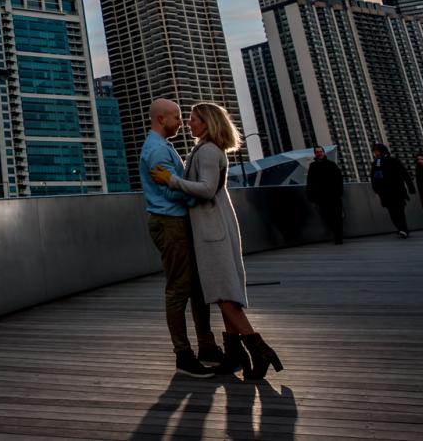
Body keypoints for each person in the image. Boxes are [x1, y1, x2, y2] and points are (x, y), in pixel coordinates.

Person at [154, 102, 283, 380]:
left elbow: (207, 189)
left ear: (208, 123)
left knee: (224, 297)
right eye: (187, 119)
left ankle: (260, 349)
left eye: (194, 119)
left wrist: (171, 180)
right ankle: (235, 354)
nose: (189, 124)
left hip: (213, 229)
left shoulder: (209, 151)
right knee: (223, 293)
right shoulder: (206, 149)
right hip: (214, 225)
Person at [141, 97, 225, 377]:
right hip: (170, 222)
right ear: (161, 119)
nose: (182, 123)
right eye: (177, 117)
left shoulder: (165, 147)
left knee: (197, 287)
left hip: (178, 221)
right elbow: (169, 193)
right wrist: (199, 198)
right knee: (179, 288)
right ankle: (183, 354)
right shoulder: (157, 151)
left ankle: (207, 346)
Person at [370, 143, 414, 237]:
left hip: (395, 191)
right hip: (388, 192)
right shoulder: (377, 163)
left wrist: (410, 186)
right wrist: (377, 188)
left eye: (376, 151)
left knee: (396, 212)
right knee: (395, 212)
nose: (375, 153)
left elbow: (404, 174)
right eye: (374, 151)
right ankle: (401, 229)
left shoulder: (389, 161)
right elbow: (375, 178)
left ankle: (403, 229)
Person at [305, 145, 344, 244]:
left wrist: (339, 193)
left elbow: (339, 179)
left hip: (334, 196)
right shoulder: (312, 166)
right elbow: (310, 182)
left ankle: (338, 238)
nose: (319, 153)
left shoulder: (331, 164)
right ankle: (336, 235)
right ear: (315, 154)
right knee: (327, 217)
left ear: (324, 152)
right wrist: (311, 197)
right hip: (321, 198)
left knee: (337, 217)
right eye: (317, 152)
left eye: (320, 151)